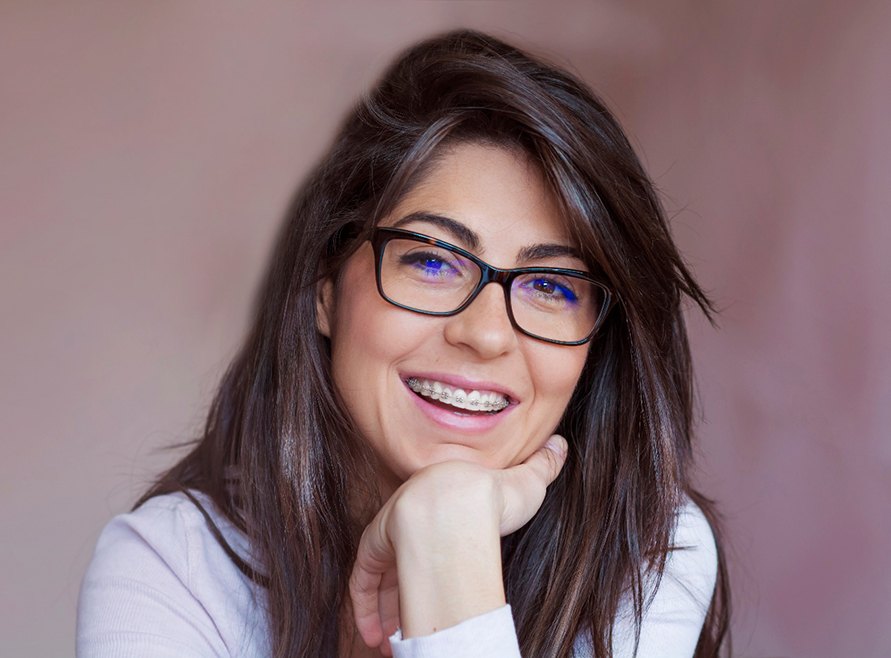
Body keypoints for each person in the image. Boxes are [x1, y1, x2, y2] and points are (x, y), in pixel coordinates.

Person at [77, 29, 730, 658]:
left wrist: (446, 538)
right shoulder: (174, 569)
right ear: (324, 287)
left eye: (551, 287)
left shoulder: (645, 554)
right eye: (432, 262)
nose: (483, 332)